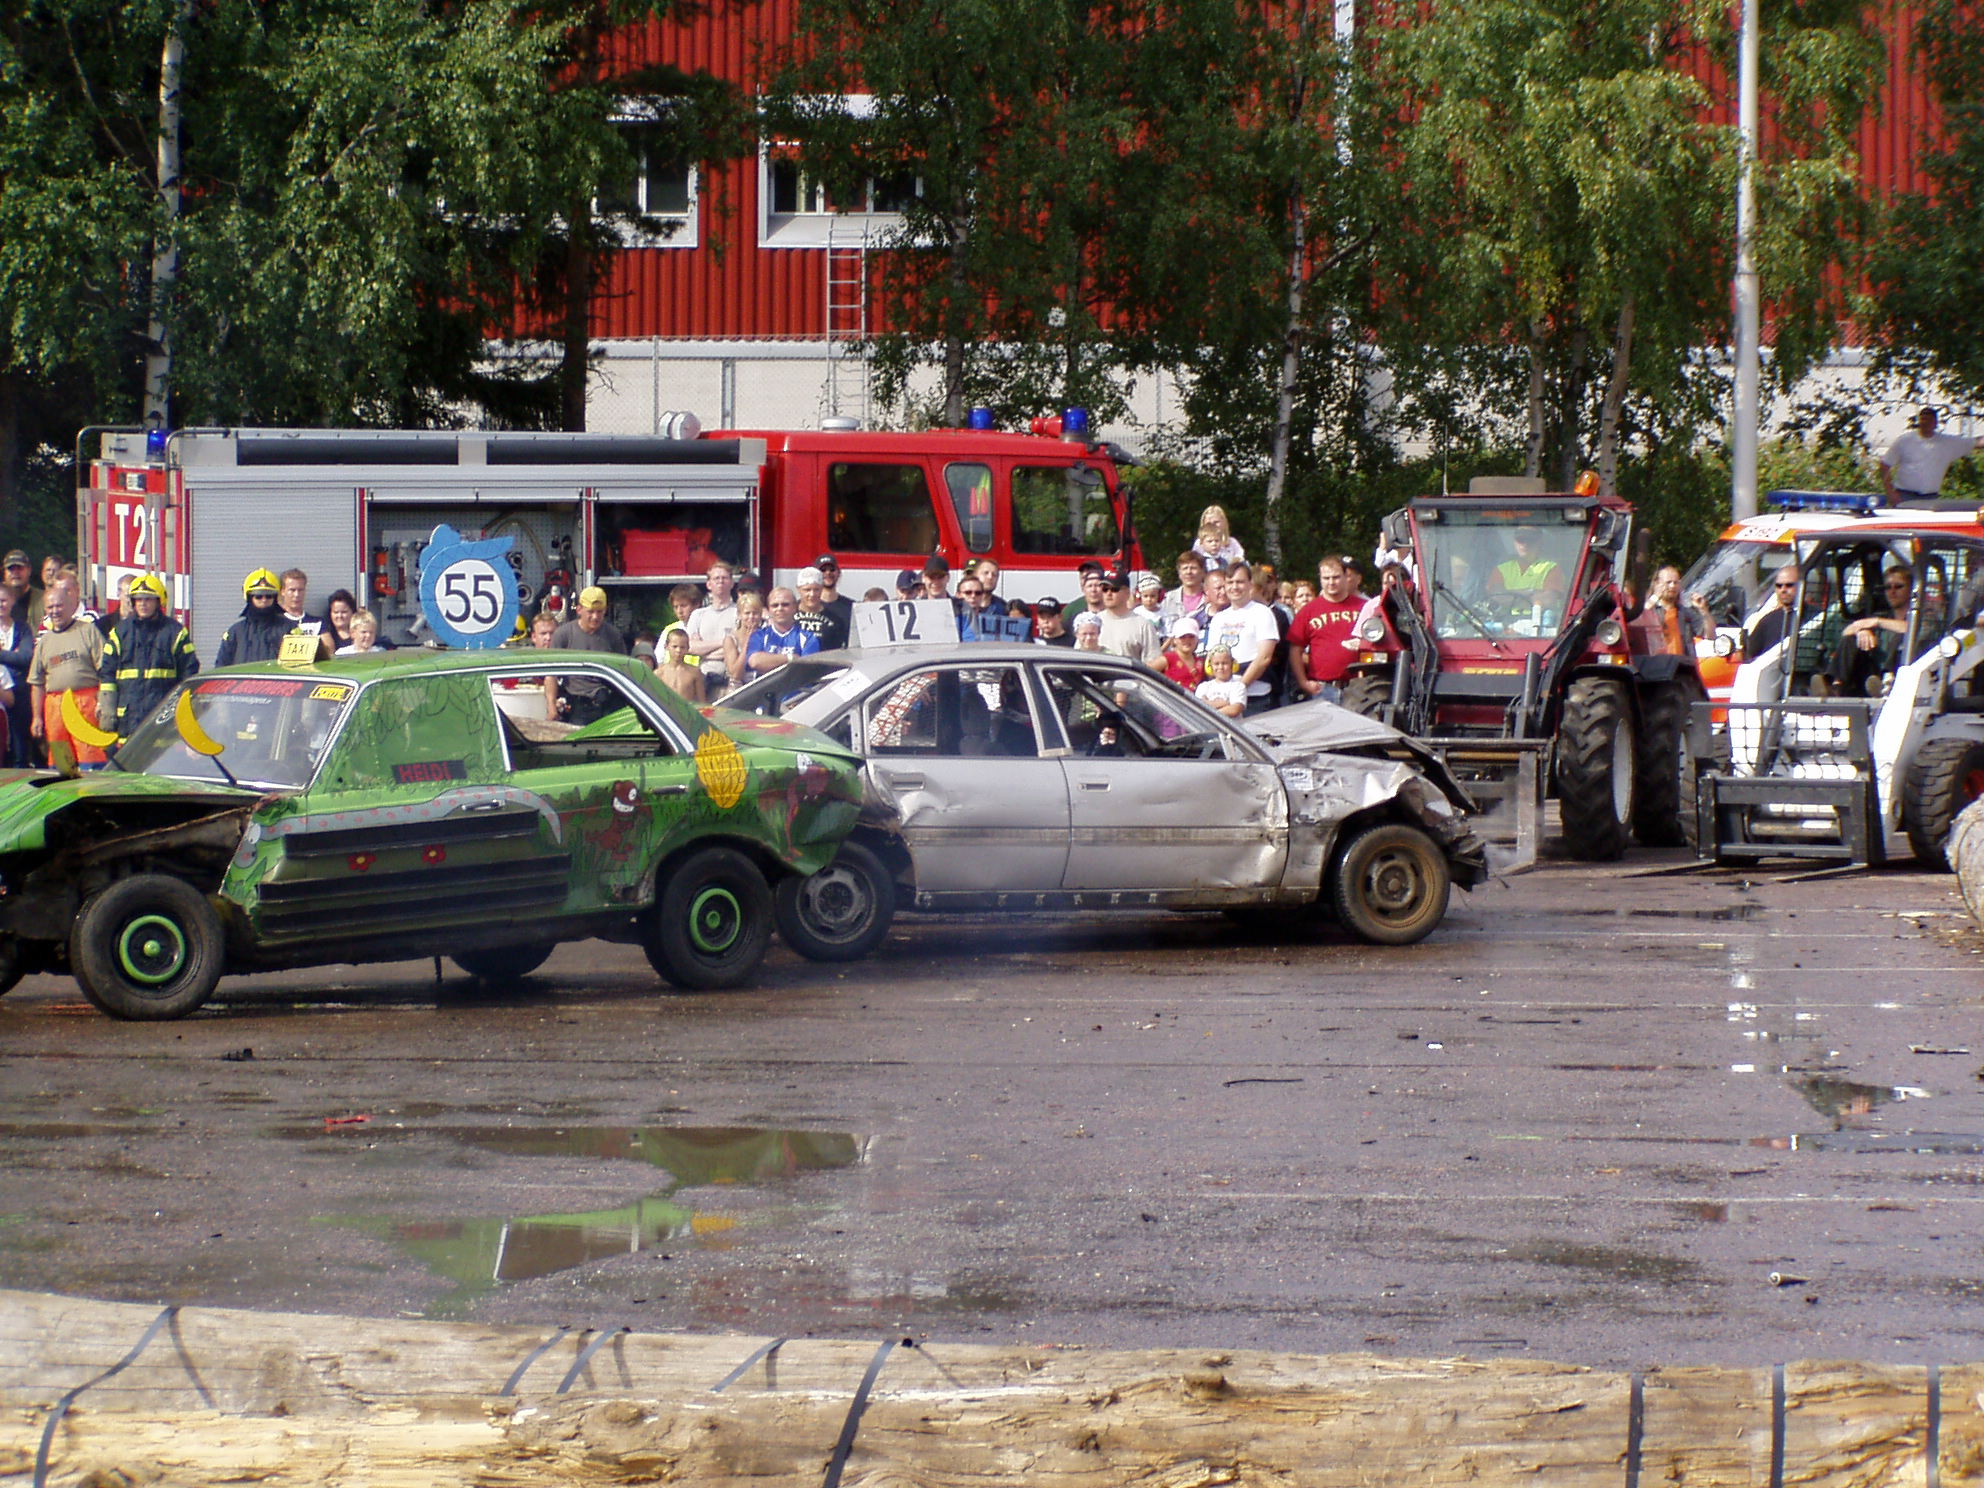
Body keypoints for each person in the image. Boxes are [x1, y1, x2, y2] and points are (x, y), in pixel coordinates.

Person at [98, 572, 198, 737]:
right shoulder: (119, 633)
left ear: (159, 602)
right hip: (128, 718)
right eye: (139, 599)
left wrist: (181, 711)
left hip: (163, 716)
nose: (143, 604)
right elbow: (107, 674)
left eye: (148, 599)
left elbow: (189, 674)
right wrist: (108, 711)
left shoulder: (175, 633)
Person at [28, 574, 107, 768]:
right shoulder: (44, 642)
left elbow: (106, 670)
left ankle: (91, 793)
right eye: (50, 607)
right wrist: (37, 717)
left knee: (90, 757)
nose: (55, 611)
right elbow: (37, 683)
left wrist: (103, 702)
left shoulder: (88, 631)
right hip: (55, 707)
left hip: (86, 703)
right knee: (62, 763)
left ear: (70, 605)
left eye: (59, 606)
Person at [1200, 561, 1280, 712]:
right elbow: (1212, 659)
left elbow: (1264, 658)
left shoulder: (1262, 613)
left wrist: (1238, 690)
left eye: (1240, 582)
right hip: (1223, 700)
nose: (1234, 587)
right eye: (1230, 582)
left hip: (1255, 697)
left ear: (1250, 584)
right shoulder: (1218, 618)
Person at [544, 587, 628, 725]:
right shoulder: (564, 634)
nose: (595, 617)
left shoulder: (613, 635)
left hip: (607, 703)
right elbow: (551, 674)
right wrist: (551, 707)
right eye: (590, 612)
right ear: (579, 610)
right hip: (577, 704)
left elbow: (624, 672)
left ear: (605, 610)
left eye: (599, 612)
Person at [1288, 557, 1362, 703]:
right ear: (1320, 579)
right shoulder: (1308, 611)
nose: (1331, 582)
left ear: (1346, 576)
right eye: (1326, 578)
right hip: (1323, 688)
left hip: (1359, 686)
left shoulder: (1364, 607)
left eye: (1336, 577)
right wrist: (1303, 682)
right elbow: (1295, 650)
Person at [1882, 407, 1984, 503]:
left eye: (1929, 420)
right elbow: (1885, 464)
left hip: (1930, 498)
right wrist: (1890, 492)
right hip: (1905, 495)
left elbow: (1976, 442)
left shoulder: (1947, 443)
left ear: (1935, 423)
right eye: (1923, 420)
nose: (1925, 423)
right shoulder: (1904, 441)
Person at [215, 568, 301, 667]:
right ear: (249, 598)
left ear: (275, 598)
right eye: (258, 596)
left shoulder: (291, 630)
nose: (264, 600)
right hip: (243, 682)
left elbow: (299, 667)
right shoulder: (235, 632)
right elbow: (221, 667)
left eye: (269, 596)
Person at [1486, 526, 1568, 617]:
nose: (1525, 544)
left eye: (1530, 540)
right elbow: (1497, 597)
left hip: (1538, 622)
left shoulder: (1552, 568)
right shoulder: (1500, 569)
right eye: (1520, 540)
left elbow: (1549, 599)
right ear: (1514, 542)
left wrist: (1511, 595)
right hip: (1503, 623)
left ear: (1540, 542)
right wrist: (1531, 593)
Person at [686, 560, 738, 696]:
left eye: (725, 578)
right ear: (709, 584)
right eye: (716, 578)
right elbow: (691, 648)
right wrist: (725, 643)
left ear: (732, 583)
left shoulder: (740, 613)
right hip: (704, 680)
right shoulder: (698, 615)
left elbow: (741, 646)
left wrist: (704, 649)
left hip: (731, 681)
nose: (720, 581)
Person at [744, 587, 820, 676]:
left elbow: (805, 669)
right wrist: (791, 658)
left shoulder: (808, 638)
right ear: (768, 609)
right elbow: (755, 662)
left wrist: (768, 663)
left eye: (785, 605)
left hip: (799, 689)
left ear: (795, 607)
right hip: (767, 689)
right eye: (775, 605)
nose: (779, 608)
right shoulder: (759, 635)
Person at [1643, 565, 1715, 656]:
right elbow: (1639, 620)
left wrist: (1703, 610)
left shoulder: (1685, 613)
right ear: (1657, 584)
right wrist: (1655, 597)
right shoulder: (1650, 609)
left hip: (1682, 665)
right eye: (1668, 582)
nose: (1672, 586)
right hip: (1657, 665)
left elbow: (1710, 635)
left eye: (1676, 583)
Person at [0, 582, 35, 764]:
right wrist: (12, 656)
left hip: (20, 697)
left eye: (4, 600)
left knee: (20, 750)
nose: (1, 604)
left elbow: (26, 658)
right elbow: (17, 660)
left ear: (12, 601)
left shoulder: (22, 629)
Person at [1094, 570, 1161, 664]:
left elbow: (1153, 662)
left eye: (1114, 589)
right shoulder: (1093, 622)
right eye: (1105, 589)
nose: (1108, 593)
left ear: (1127, 593)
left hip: (1129, 678)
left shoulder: (1143, 625)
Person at [1744, 565, 1801, 658]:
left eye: (1789, 585)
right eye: (1779, 586)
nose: (1783, 590)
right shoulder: (1766, 621)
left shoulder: (1816, 617)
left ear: (1800, 585)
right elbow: (1749, 656)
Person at [795, 566, 849, 650]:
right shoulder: (788, 615)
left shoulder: (835, 620)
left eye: (816, 590)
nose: (812, 594)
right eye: (807, 590)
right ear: (798, 589)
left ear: (821, 589)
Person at [721, 590, 767, 687]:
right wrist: (748, 643)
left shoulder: (767, 635)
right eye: (747, 613)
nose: (751, 617)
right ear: (739, 614)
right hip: (738, 689)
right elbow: (735, 674)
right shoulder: (730, 639)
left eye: (755, 613)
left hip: (761, 686)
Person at [656, 627, 705, 702]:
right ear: (666, 646)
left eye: (682, 647)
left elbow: (702, 701)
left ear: (688, 648)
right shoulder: (659, 673)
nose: (678, 650)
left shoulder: (695, 672)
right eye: (674, 646)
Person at [1195, 646, 1247, 718]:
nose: (1220, 667)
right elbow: (1198, 709)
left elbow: (1235, 709)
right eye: (1216, 664)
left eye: (1225, 663)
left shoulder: (1238, 686)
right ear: (1210, 666)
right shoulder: (1203, 687)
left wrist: (1208, 704)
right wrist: (1226, 704)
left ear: (1232, 664)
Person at [1166, 551, 1210, 632]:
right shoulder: (1167, 599)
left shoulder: (1211, 598)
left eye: (1193, 568)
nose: (1189, 572)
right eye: (1185, 568)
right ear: (1179, 573)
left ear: (1203, 572)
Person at [1192, 504, 1245, 569]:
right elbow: (1195, 560)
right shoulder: (1199, 542)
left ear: (1224, 522)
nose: (1213, 525)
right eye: (1209, 523)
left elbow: (1240, 556)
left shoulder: (1232, 542)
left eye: (1216, 522)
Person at [816, 554, 856, 635]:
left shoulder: (852, 606)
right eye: (823, 570)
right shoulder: (803, 606)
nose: (828, 573)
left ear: (839, 573)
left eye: (832, 569)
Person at [1162, 618, 1205, 691]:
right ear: (1175, 640)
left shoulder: (1201, 662)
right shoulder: (1168, 659)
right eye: (1182, 637)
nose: (1187, 640)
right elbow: (1146, 672)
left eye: (1191, 636)